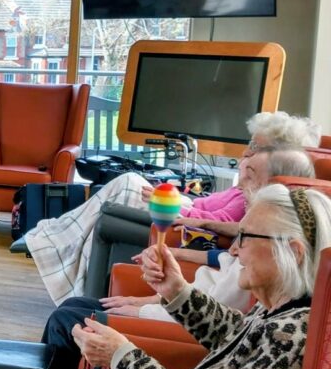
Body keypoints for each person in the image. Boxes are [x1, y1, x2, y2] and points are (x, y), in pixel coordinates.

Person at [11, 183, 330, 369]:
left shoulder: (292, 336)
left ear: (293, 251)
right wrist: (176, 291)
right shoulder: (286, 310)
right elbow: (232, 334)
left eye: (245, 238)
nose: (233, 249)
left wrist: (122, 355)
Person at [36, 147, 316, 369]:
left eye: (242, 237)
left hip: (170, 341)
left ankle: (50, 241)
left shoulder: (284, 335)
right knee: (72, 307)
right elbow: (223, 313)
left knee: (66, 319)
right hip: (178, 318)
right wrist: (170, 290)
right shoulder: (265, 300)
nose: (231, 246)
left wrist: (125, 347)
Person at [25, 111, 321, 303]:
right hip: (186, 208)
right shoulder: (246, 185)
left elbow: (218, 219)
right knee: (125, 184)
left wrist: (185, 214)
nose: (247, 151)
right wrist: (174, 195)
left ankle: (52, 240)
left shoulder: (260, 202)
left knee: (127, 182)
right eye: (250, 144)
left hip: (183, 216)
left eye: (256, 147)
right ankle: (53, 239)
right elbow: (209, 205)